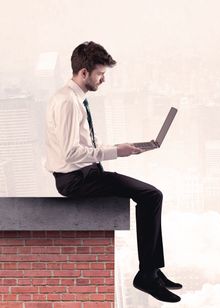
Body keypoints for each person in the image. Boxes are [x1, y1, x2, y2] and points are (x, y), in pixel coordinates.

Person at [45, 41, 181, 303]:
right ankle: (147, 275)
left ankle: (152, 270)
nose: (103, 79)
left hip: (85, 173)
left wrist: (121, 149)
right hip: (75, 180)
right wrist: (116, 151)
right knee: (151, 195)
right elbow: (69, 153)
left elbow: (80, 147)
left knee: (151, 195)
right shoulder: (68, 103)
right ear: (84, 73)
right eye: (100, 74)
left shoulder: (73, 98)